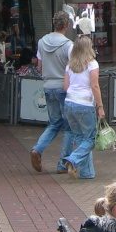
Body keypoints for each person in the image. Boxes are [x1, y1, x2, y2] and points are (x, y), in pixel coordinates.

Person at [30, 12, 74, 174]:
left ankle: (38, 149)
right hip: (63, 87)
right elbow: (72, 69)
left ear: (53, 24)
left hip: (48, 86)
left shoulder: (42, 42)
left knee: (54, 123)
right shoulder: (69, 45)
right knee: (69, 127)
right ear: (67, 25)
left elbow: (40, 68)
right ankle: (63, 164)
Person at [61, 35, 104, 180]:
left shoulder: (70, 65)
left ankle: (87, 173)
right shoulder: (92, 64)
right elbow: (95, 86)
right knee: (90, 138)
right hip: (84, 104)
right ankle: (72, 160)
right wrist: (100, 106)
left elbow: (65, 87)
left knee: (79, 137)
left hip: (69, 102)